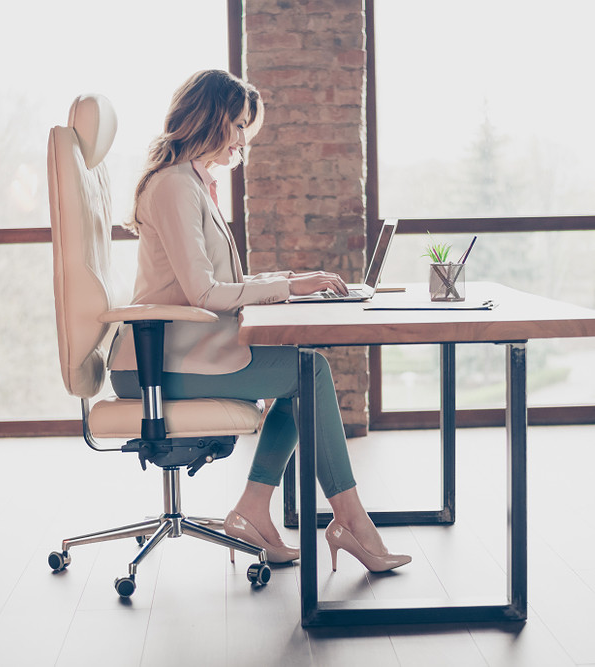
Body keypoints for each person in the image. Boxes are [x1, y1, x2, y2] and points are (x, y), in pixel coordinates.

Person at [108, 69, 410, 573]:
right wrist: (289, 288)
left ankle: (253, 512)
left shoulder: (191, 183)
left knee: (303, 373)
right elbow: (205, 293)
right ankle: (350, 523)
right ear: (210, 118)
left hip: (182, 351)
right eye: (239, 125)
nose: (244, 140)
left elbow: (219, 281)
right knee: (308, 374)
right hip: (154, 363)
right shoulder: (174, 187)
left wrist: (294, 279)